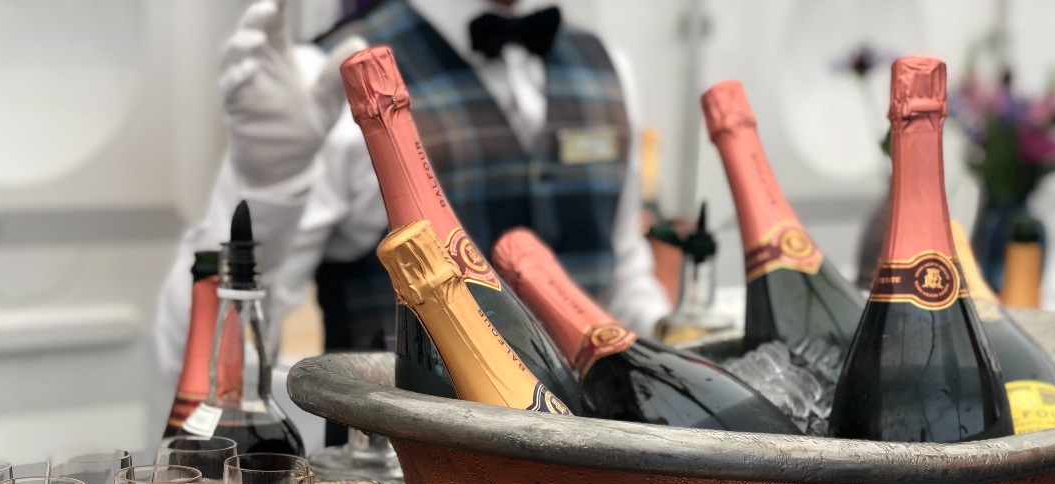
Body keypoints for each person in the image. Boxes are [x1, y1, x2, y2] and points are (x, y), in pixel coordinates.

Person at [154, 0, 669, 417]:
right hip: (406, 481)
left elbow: (623, 272)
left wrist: (672, 342)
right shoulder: (322, 82)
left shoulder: (607, 65)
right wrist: (265, 179)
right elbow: (193, 362)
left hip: (601, 474)